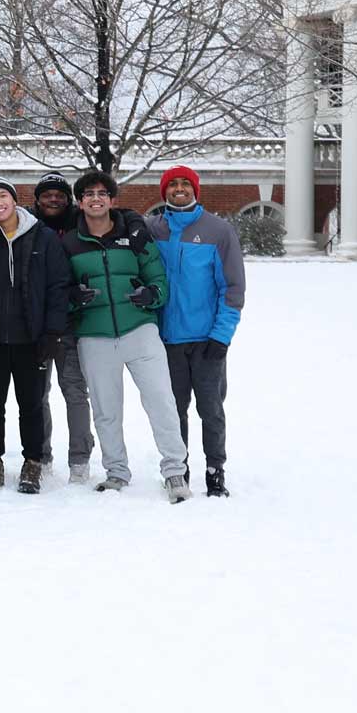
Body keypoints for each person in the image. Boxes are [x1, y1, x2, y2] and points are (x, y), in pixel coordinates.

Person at [63, 171, 192, 502]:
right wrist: (73, 298)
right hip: (94, 335)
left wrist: (152, 295)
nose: (95, 198)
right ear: (80, 202)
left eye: (102, 193)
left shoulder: (135, 234)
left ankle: (175, 471)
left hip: (140, 330)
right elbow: (58, 290)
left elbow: (158, 277)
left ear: (112, 199)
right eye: (88, 194)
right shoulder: (69, 243)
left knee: (161, 400)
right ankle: (116, 471)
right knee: (106, 409)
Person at [0, 176, 71, 494]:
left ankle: (32, 464)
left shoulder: (43, 238)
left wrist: (52, 332)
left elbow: (58, 287)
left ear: (14, 199)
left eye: (2, 195)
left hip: (31, 339)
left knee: (31, 405)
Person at [145, 165, 244, 497]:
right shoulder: (152, 229)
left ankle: (215, 470)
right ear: (164, 192)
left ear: (195, 189)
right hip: (167, 341)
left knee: (211, 409)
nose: (179, 189)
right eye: (172, 185)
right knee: (173, 411)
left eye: (185, 184)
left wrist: (222, 335)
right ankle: (179, 470)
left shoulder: (219, 231)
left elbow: (232, 289)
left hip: (206, 341)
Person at [27, 171, 94, 482]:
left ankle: (80, 458)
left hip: (72, 324)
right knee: (37, 395)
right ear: (37, 200)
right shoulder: (28, 227)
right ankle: (40, 456)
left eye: (59, 194)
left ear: (68, 199)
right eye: (46, 194)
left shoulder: (82, 225)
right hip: (36, 327)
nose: (53, 199)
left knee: (75, 392)